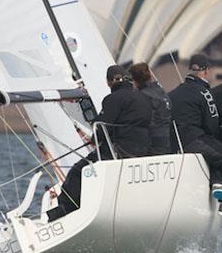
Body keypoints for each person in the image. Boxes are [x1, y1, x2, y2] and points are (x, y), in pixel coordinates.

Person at [47, 65, 152, 221]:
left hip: (119, 151)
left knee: (77, 171)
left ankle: (66, 212)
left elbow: (102, 129)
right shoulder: (143, 97)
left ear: (109, 82)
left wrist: (95, 138)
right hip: (142, 150)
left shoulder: (113, 99)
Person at [168, 54, 222, 213]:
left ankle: (217, 185)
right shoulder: (205, 93)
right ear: (205, 71)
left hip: (173, 142)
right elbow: (212, 124)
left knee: (216, 153)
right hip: (193, 139)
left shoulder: (172, 93)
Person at [129, 62, 172, 155]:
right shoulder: (161, 91)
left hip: (153, 142)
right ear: (150, 76)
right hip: (169, 138)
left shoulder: (141, 96)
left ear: (134, 81)